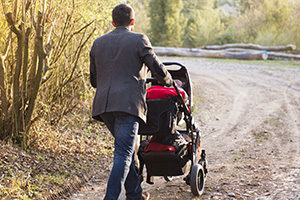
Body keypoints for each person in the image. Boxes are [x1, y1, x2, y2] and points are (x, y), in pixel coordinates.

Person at [89, 3, 173, 200]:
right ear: (132, 22)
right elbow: (157, 69)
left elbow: (94, 81)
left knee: (126, 152)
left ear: (112, 22)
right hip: (128, 106)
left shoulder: (98, 43)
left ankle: (135, 195)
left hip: (104, 107)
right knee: (124, 154)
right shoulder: (139, 40)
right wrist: (168, 81)